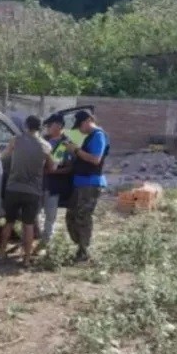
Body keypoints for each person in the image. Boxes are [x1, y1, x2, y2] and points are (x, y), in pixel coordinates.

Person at [0, 116, 55, 265]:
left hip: (13, 188)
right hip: (33, 191)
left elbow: (3, 156)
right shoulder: (46, 146)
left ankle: (1, 253)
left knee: (9, 222)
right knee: (28, 225)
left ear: (25, 125)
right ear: (40, 127)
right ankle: (26, 259)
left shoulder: (16, 140)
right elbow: (52, 166)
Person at [64, 110, 109, 263]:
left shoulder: (98, 135)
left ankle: (84, 251)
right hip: (80, 183)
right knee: (71, 216)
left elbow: (96, 159)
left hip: (91, 183)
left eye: (81, 124)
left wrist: (76, 150)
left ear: (90, 120)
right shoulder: (86, 136)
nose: (80, 129)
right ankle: (80, 248)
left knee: (83, 217)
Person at [39, 113, 73, 247]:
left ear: (59, 126)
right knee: (36, 214)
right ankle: (38, 237)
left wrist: (54, 171)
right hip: (38, 184)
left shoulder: (66, 144)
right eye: (47, 126)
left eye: (50, 125)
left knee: (50, 216)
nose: (47, 128)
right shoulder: (42, 140)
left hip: (54, 186)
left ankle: (46, 243)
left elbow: (70, 168)